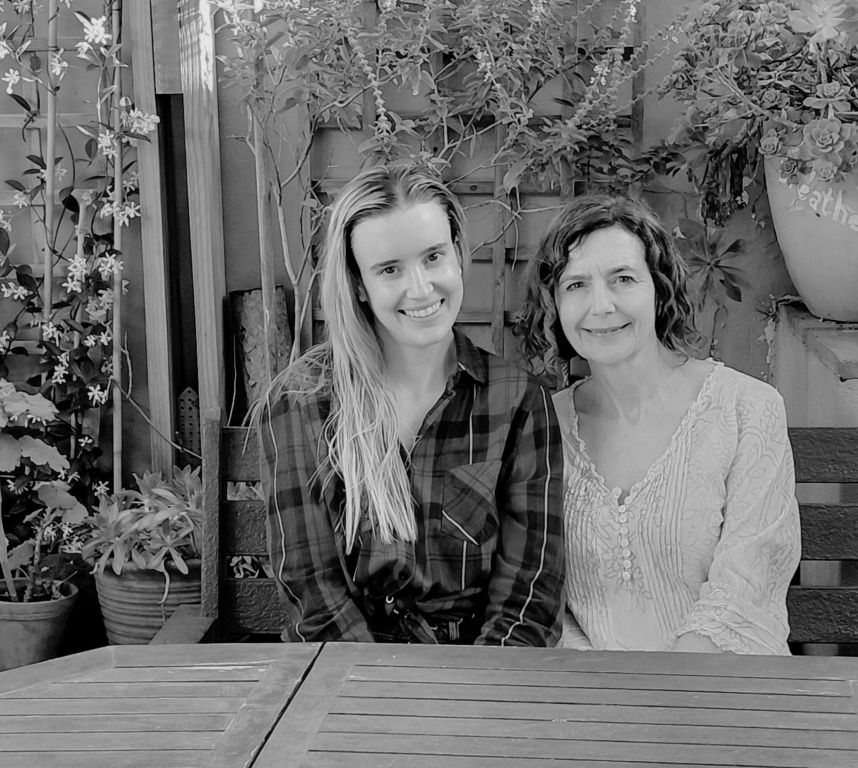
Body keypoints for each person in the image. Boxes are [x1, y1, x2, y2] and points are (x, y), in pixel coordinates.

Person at [255, 164, 564, 646]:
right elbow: (313, 594)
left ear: (458, 254)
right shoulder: (303, 402)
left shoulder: (517, 401)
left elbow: (528, 598)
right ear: (359, 285)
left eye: (433, 257)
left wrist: (484, 688)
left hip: (482, 670)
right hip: (350, 670)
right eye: (390, 269)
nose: (420, 289)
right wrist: (380, 688)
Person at [517, 195, 800, 654]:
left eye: (623, 279)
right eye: (576, 285)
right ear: (554, 304)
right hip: (593, 690)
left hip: (723, 686)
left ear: (659, 288)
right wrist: (600, 687)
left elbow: (744, 597)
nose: (601, 305)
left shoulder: (746, 411)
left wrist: (660, 692)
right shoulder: (542, 428)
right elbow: (542, 603)